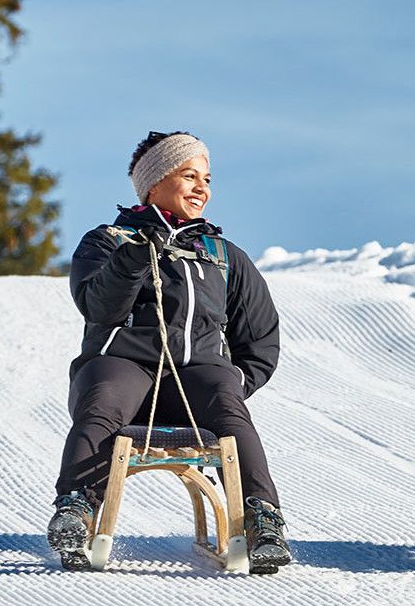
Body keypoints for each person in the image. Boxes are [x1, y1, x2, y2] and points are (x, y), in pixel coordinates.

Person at [48, 130, 291, 573]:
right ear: (155, 182)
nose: (202, 188)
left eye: (207, 178)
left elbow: (259, 339)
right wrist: (137, 257)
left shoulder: (221, 255)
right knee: (103, 400)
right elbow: (99, 307)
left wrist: (234, 381)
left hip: (196, 374)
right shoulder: (109, 241)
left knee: (227, 406)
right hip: (124, 366)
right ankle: (76, 509)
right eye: (189, 175)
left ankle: (261, 518)